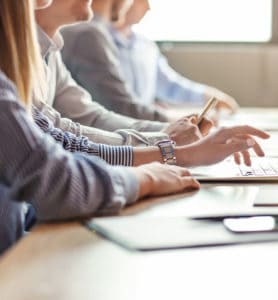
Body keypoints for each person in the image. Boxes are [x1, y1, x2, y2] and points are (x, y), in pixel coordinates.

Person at [0, 0, 200, 254]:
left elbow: (61, 137)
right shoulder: (86, 35)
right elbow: (57, 176)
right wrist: (155, 164)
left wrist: (166, 144)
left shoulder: (49, 51)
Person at [34, 0, 213, 148]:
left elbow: (91, 117)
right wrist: (162, 140)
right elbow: (58, 133)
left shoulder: (53, 48)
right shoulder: (86, 34)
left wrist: (170, 130)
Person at [111, 0, 239, 112]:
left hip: (143, 126)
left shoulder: (146, 46)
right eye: (142, 0)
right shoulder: (99, 40)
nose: (148, 8)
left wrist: (210, 97)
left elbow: (170, 86)